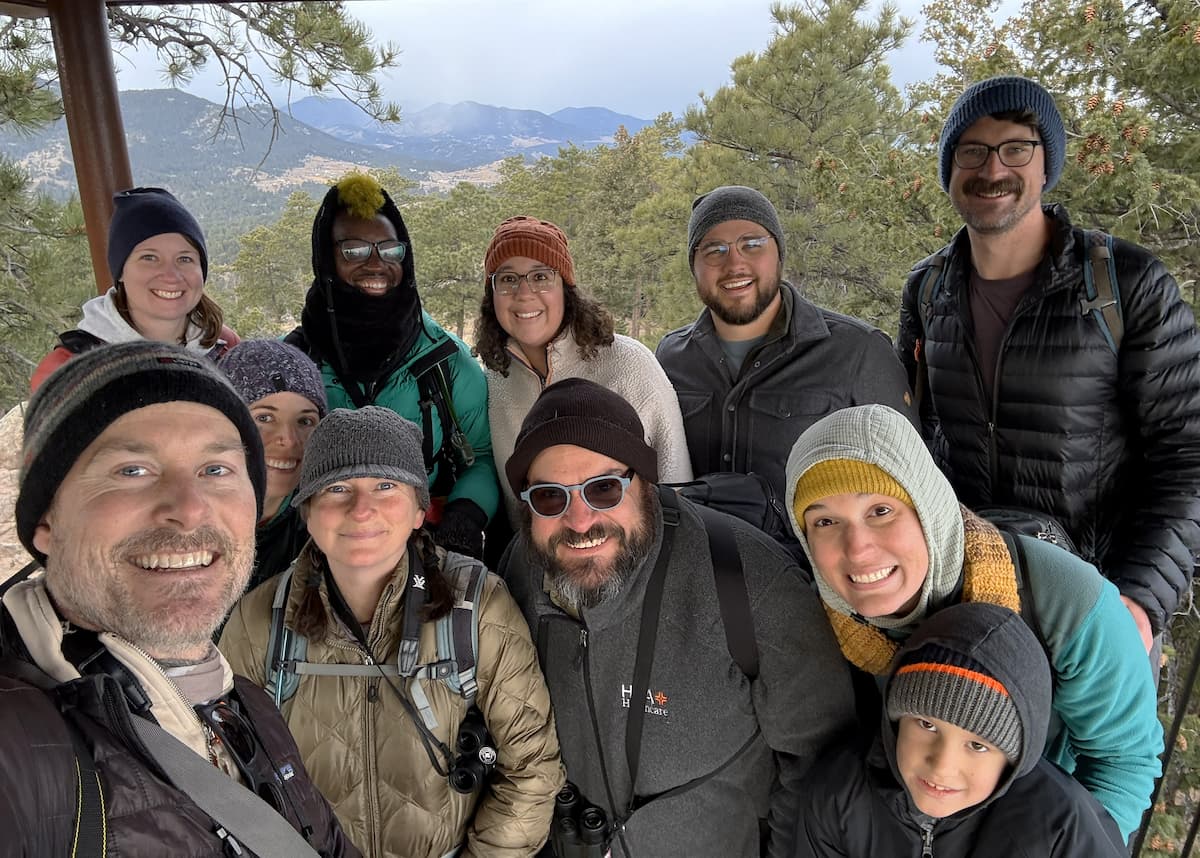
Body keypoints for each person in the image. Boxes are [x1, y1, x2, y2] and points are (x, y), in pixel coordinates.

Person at [3, 340, 357, 857]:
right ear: (45, 522)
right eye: (132, 471)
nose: (189, 511)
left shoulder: (248, 706)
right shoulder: (21, 741)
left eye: (216, 470)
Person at [895, 75, 1200, 653]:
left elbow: (1186, 454)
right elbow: (915, 438)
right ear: (949, 169)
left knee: (1104, 748)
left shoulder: (1124, 284)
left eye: (1015, 148)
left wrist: (1141, 596)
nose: (993, 170)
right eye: (972, 152)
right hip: (974, 594)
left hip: (1100, 598)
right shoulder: (928, 290)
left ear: (1045, 164)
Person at [498, 378, 855, 858]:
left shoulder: (752, 583)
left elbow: (821, 770)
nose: (580, 521)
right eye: (548, 497)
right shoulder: (522, 568)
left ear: (646, 485)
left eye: (603, 489)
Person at [783, 403, 1163, 841]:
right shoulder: (821, 619)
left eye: (881, 511)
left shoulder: (1062, 598)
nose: (858, 548)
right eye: (825, 521)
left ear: (925, 505)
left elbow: (1124, 760)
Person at [220, 406, 563, 858]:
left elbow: (531, 767)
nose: (362, 509)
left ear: (420, 510)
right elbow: (226, 775)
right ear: (307, 511)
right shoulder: (259, 619)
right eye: (337, 487)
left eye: (386, 486)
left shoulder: (476, 606)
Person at [794, 601, 1126, 857]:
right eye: (926, 724)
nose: (942, 766)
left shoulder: (1061, 826)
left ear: (1013, 758)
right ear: (895, 720)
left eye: (978, 745)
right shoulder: (839, 791)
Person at [286, 172, 497, 560]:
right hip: (319, 550)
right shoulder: (298, 362)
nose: (376, 263)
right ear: (326, 257)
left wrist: (463, 520)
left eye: (389, 249)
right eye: (353, 250)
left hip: (425, 541)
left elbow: (480, 456)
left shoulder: (444, 361)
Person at [655, 184, 913, 498]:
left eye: (752, 245)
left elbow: (910, 484)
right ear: (693, 267)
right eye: (714, 250)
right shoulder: (670, 358)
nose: (735, 264)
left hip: (804, 549)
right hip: (695, 547)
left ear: (779, 254)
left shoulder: (859, 351)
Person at [474, 215, 692, 528]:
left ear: (566, 287)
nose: (524, 293)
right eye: (508, 279)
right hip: (539, 566)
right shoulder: (496, 379)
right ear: (491, 294)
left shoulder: (627, 363)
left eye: (541, 276)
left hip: (637, 563)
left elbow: (676, 482)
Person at [30, 186, 239, 390]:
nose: (171, 275)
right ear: (120, 271)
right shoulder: (67, 370)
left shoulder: (225, 346)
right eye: (149, 258)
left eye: (185, 258)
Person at [218, 338, 328, 591]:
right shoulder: (185, 516)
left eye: (305, 421)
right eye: (264, 418)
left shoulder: (323, 529)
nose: (288, 440)